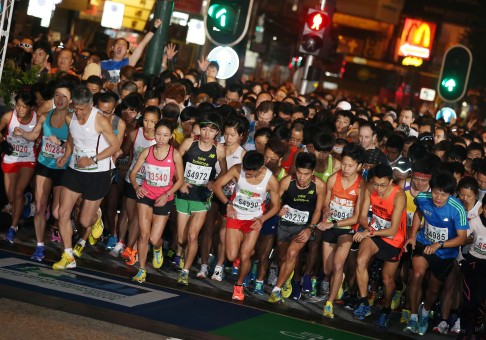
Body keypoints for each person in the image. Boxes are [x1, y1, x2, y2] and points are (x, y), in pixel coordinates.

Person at [52, 86, 119, 270]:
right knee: (60, 213)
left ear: (91, 104)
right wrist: (66, 155)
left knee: (84, 221)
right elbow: (73, 136)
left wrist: (92, 159)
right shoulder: (70, 116)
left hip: (98, 173)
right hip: (75, 170)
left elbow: (115, 146)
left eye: (82, 109)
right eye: (76, 108)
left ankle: (97, 216)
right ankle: (68, 255)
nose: (79, 113)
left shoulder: (100, 120)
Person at [12, 81, 74, 261]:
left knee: (57, 213)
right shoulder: (44, 116)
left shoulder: (72, 120)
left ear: (70, 100)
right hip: (44, 165)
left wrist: (61, 144)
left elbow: (75, 144)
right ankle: (39, 246)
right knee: (40, 207)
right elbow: (33, 136)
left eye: (64, 96)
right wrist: (21, 133)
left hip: (62, 169)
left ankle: (68, 248)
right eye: (57, 95)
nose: (60, 99)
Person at [404, 171, 468, 335]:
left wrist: (439, 244)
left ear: (451, 194)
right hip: (424, 243)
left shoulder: (457, 208)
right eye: (436, 192)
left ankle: (425, 312)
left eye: (444, 194)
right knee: (417, 275)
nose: (438, 198)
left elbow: (461, 239)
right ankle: (412, 317)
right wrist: (412, 236)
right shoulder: (423, 198)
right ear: (430, 189)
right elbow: (419, 212)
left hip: (445, 253)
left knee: (433, 289)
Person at [212, 150, 280, 301]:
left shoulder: (271, 180)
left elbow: (276, 207)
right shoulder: (237, 169)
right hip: (236, 216)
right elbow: (217, 186)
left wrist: (262, 219)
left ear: (260, 168)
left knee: (244, 255)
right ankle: (247, 254)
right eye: (245, 172)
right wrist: (228, 204)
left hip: (253, 220)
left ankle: (239, 285)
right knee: (231, 255)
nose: (246, 175)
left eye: (250, 174)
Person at [129, 119, 184, 283]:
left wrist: (167, 195)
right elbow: (133, 173)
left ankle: (158, 247)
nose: (161, 138)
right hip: (146, 195)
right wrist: (137, 187)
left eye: (165, 135)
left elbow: (180, 180)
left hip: (164, 198)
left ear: (171, 136)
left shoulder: (175, 154)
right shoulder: (147, 152)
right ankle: (142, 269)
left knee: (154, 239)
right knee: (144, 235)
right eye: (158, 134)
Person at [175, 112, 227, 286]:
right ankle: (183, 255)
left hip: (202, 197)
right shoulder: (190, 143)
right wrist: (180, 181)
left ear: (216, 133)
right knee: (181, 239)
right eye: (204, 129)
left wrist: (214, 183)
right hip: (184, 193)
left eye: (211, 131)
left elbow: (225, 172)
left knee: (192, 236)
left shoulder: (219, 149)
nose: (207, 133)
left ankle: (185, 271)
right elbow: (175, 161)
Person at [353, 163, 407, 329]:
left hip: (393, 238)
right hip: (374, 233)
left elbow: (392, 229)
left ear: (391, 181)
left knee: (386, 278)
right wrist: (368, 229)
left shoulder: (399, 196)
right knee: (361, 261)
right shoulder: (370, 189)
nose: (379, 188)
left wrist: (369, 233)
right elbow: (362, 216)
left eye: (382, 185)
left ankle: (386, 310)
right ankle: (364, 303)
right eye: (375, 184)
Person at [268, 152, 325, 303]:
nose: (302, 177)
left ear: (312, 173)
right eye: (299, 173)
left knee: (292, 253)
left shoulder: (319, 185)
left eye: (306, 174)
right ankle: (286, 277)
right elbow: (274, 202)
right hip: (285, 224)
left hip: (304, 226)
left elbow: (319, 210)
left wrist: (310, 229)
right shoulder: (287, 182)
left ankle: (277, 289)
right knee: (282, 256)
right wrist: (278, 209)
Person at [318, 143, 365, 318]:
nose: (345, 168)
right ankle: (339, 279)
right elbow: (325, 203)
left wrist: (334, 223)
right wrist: (326, 211)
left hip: (346, 230)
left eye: (350, 165)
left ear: (359, 166)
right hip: (329, 226)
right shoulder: (333, 179)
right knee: (328, 269)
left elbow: (356, 218)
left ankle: (329, 303)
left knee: (338, 265)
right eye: (343, 164)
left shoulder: (361, 186)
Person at [0, 91, 37, 243]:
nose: (20, 109)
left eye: (24, 106)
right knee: (11, 196)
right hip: (10, 157)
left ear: (31, 108)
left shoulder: (37, 118)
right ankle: (25, 206)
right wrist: (3, 142)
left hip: (28, 159)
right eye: (18, 105)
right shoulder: (8, 116)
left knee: (18, 191)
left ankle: (13, 228)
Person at [458, 195, 486, 338]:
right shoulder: (475, 222)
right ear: (483, 208)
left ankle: (476, 328)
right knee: (468, 300)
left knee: (480, 300)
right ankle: (465, 330)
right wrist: (461, 259)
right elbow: (460, 238)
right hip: (474, 264)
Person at [101, 19, 162, 83]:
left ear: (127, 51)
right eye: (118, 44)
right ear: (113, 48)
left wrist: (154, 27)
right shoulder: (102, 63)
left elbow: (143, 43)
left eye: (123, 45)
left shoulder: (129, 62)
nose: (120, 46)